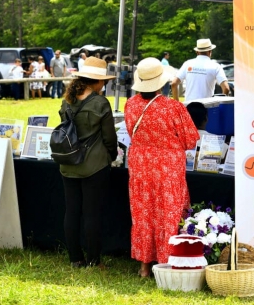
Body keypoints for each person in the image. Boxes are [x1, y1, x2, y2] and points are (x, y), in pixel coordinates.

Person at [126, 58, 199, 278]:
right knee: (169, 212)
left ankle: (144, 267)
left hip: (140, 166)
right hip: (168, 168)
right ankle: (168, 262)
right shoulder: (173, 108)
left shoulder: (130, 105)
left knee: (143, 214)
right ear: (161, 82)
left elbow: (132, 133)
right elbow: (191, 140)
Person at [58, 56, 117, 269]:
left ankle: (75, 258)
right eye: (104, 81)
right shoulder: (101, 103)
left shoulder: (67, 100)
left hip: (68, 163)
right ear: (97, 81)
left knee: (72, 211)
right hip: (95, 165)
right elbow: (109, 138)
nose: (105, 84)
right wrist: (111, 155)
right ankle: (93, 260)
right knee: (92, 213)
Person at [171, 38, 230, 102]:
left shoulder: (187, 64)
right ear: (210, 51)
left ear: (197, 52)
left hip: (189, 106)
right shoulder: (216, 66)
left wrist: (177, 105)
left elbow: (174, 83)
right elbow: (226, 88)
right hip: (207, 107)